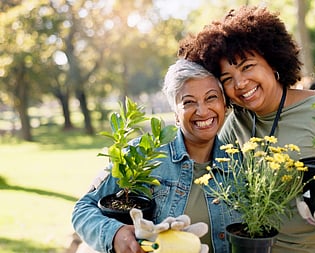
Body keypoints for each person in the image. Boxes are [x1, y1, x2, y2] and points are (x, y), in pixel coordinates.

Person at [179, 6, 315, 253]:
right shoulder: (235, 123)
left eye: (247, 66)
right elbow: (206, 181)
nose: (240, 83)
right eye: (227, 78)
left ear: (272, 62)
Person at [72, 59, 240, 253]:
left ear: (224, 104)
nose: (202, 111)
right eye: (188, 102)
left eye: (211, 98)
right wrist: (116, 234)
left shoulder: (240, 163)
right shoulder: (143, 153)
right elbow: (83, 209)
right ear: (176, 114)